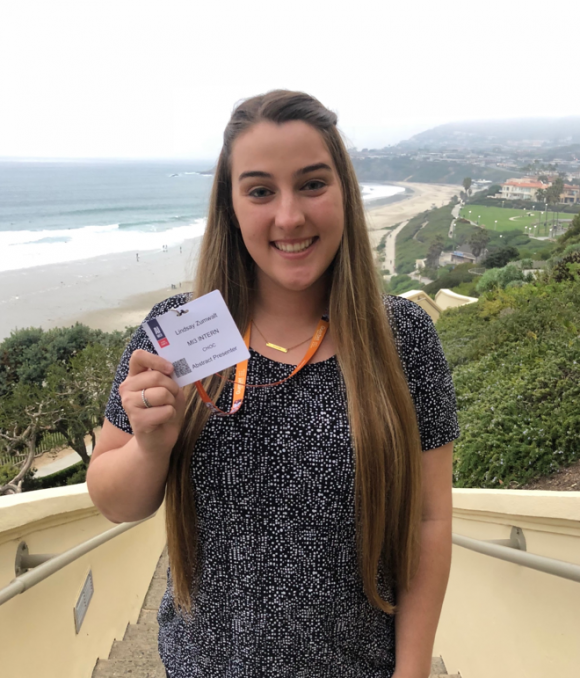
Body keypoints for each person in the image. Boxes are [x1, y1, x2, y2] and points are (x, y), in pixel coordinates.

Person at [87, 90, 459, 678]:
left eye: (312, 184)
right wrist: (149, 447)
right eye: (260, 191)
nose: (289, 217)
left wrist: (410, 671)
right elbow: (115, 503)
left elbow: (429, 520)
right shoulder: (179, 331)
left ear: (345, 192)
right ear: (231, 206)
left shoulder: (402, 337)